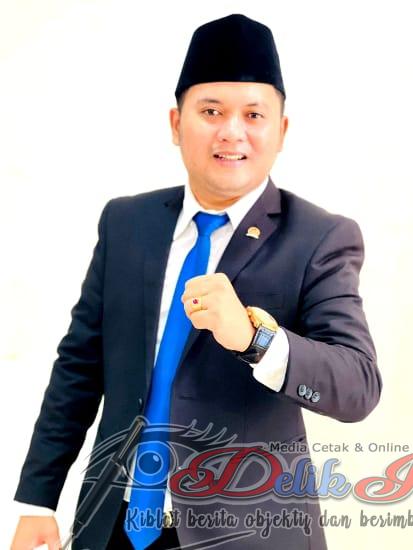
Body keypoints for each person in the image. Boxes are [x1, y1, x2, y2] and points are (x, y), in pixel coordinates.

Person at [11, 13, 382, 550]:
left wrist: (255, 340)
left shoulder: (320, 238)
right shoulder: (127, 222)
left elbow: (358, 386)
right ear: (175, 123)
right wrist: (38, 500)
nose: (231, 131)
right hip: (112, 523)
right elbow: (79, 366)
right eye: (211, 111)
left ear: (281, 131)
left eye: (253, 114)